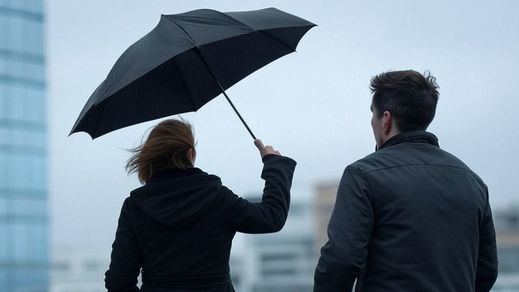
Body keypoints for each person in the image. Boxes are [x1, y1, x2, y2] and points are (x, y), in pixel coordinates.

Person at [314, 70, 498, 291]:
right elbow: (486, 269)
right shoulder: (473, 182)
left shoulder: (363, 175)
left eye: (373, 114)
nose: (371, 122)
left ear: (386, 120)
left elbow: (341, 259)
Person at [104, 119, 296, 291]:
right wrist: (275, 165)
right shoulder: (216, 197)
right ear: (191, 153)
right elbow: (271, 217)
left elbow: (119, 282)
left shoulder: (135, 207)